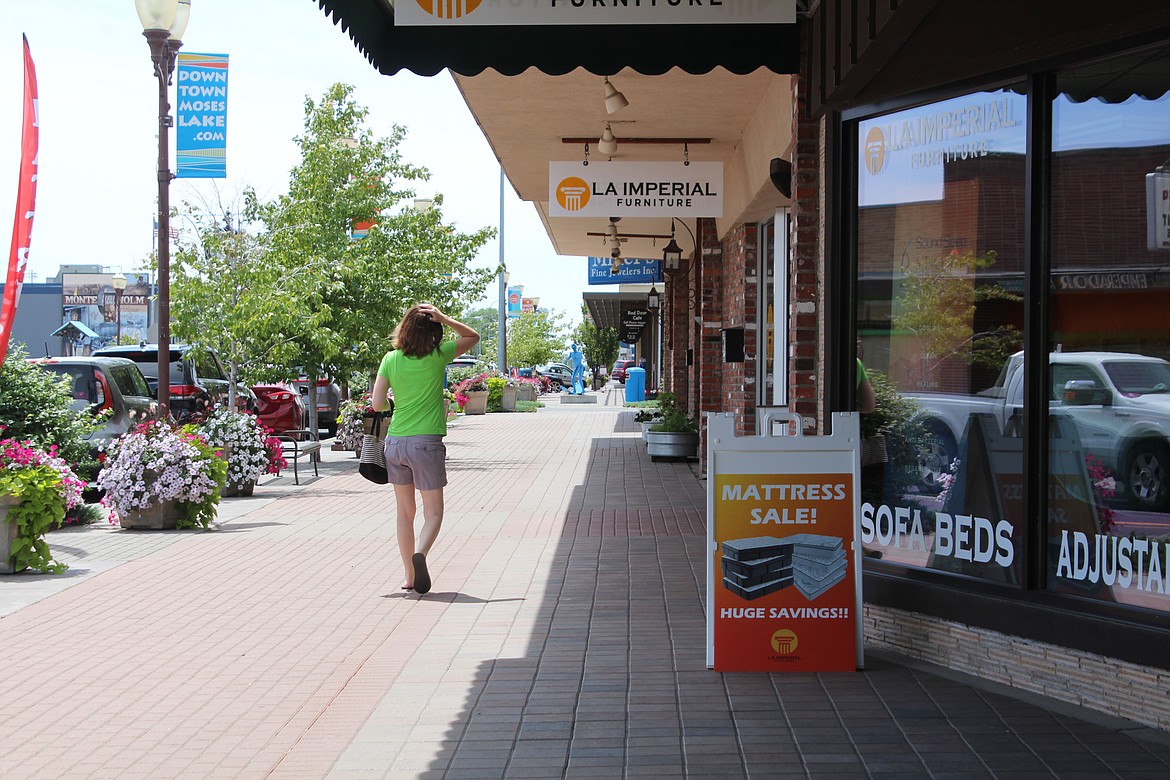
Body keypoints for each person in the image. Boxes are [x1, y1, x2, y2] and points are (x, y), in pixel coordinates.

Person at [372, 303, 479, 594]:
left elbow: (377, 404)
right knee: (433, 513)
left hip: (395, 443)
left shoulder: (391, 359)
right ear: (434, 333)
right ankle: (421, 552)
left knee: (404, 513)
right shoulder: (437, 356)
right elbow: (473, 337)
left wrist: (396, 403)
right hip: (426, 444)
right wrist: (444, 317)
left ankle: (408, 575)